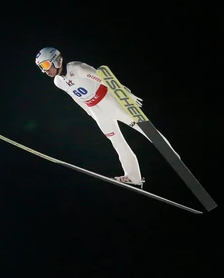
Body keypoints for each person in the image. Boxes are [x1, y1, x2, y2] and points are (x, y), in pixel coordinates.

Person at [34, 46, 154, 187]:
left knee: (144, 129)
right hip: (96, 110)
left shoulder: (77, 68)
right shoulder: (58, 82)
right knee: (116, 142)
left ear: (57, 60)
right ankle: (133, 177)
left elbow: (104, 79)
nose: (45, 70)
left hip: (108, 101)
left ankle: (171, 154)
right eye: (41, 67)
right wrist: (91, 113)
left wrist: (125, 93)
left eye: (46, 65)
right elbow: (76, 98)